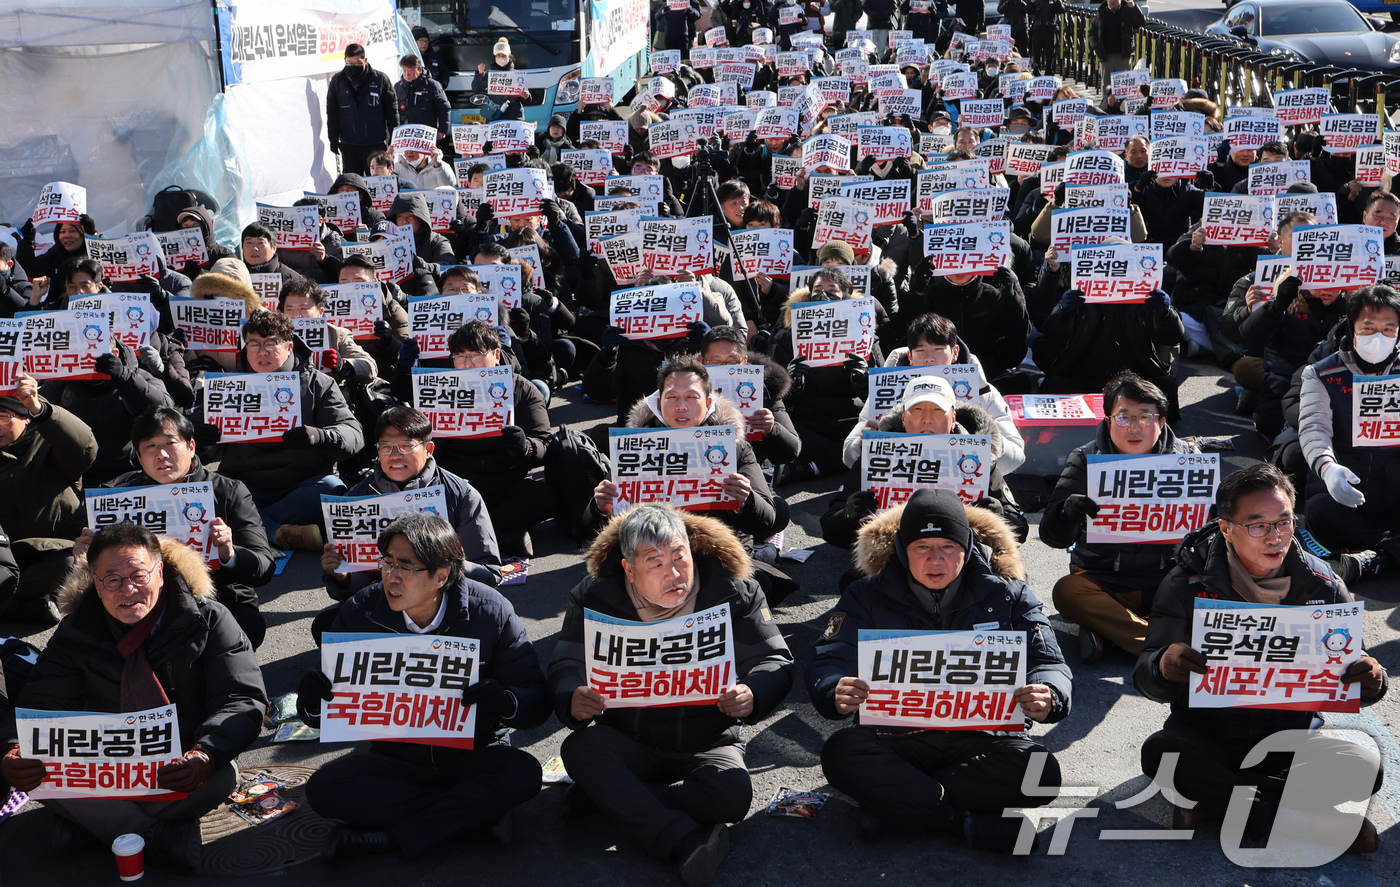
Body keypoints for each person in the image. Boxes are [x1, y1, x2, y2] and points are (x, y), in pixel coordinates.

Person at [1134, 464, 1386, 851]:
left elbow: (1354, 665)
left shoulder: (1324, 584)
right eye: (1258, 525)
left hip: (1291, 744)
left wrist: (1372, 679)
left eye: (1284, 522)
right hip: (1207, 735)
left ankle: (1214, 806)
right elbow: (1146, 672)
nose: (1275, 537)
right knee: (1160, 754)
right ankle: (1305, 821)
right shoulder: (1187, 582)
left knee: (1366, 766)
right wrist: (1163, 666)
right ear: (1226, 528)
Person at [806, 488, 1072, 852]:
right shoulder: (865, 594)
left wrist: (1049, 693)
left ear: (967, 545)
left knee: (1040, 772)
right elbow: (829, 656)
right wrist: (833, 687)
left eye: (948, 547)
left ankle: (896, 806)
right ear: (901, 549)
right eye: (921, 547)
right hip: (896, 738)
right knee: (841, 752)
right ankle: (959, 822)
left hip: (981, 735)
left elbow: (1048, 661)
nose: (936, 560)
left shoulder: (1009, 593)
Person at [549, 504, 794, 886]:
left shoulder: (733, 590)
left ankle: (612, 799)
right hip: (628, 736)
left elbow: (774, 658)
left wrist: (752, 692)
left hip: (707, 737)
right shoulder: (594, 596)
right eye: (656, 563)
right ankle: (681, 839)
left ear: (692, 551)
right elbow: (565, 663)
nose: (674, 574)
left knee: (733, 794)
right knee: (580, 749)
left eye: (680, 558)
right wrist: (571, 695)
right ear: (629, 569)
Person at [1, 523, 267, 872]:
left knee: (223, 774)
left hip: (179, 762)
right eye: (112, 580)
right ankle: (154, 836)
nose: (128, 590)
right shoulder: (77, 631)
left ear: (160, 572)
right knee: (38, 775)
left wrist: (206, 753)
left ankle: (98, 826)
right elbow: (39, 701)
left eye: (138, 575)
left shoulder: (209, 619)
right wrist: (12, 748)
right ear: (95, 583)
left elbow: (243, 697)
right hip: (103, 766)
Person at [296, 513, 549, 863]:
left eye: (406, 566)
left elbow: (535, 699)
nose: (391, 576)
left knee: (523, 773)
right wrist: (311, 703)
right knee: (325, 789)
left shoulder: (491, 611)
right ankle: (473, 816)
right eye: (386, 563)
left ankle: (386, 839)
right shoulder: (362, 611)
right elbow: (328, 713)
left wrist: (505, 701)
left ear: (441, 575)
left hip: (475, 752)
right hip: (397, 759)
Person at [1040, 373, 1198, 662]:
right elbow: (1051, 536)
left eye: (1145, 417)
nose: (1134, 427)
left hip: (1171, 580)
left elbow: (1219, 530)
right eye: (1124, 417)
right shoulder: (1085, 458)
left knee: (1217, 591)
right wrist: (1066, 514)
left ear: (1162, 422)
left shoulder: (1189, 459)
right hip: (1106, 582)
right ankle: (1164, 648)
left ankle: (1112, 635)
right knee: (1067, 591)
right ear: (1108, 421)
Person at [89, 407, 277, 648]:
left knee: (246, 627)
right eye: (150, 446)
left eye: (170, 443)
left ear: (191, 446)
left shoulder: (227, 491)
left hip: (216, 596)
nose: (161, 455)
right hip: (137, 599)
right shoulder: (117, 496)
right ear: (138, 454)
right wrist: (87, 555)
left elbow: (264, 566)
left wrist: (230, 554)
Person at [197, 309, 364, 551]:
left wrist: (320, 436)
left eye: (271, 343)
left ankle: (250, 529)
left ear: (289, 346)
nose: (262, 352)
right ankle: (276, 533)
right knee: (210, 493)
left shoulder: (317, 383)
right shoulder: (224, 387)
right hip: (244, 486)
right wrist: (201, 439)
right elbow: (193, 448)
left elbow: (353, 434)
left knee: (332, 489)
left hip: (300, 485)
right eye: (253, 344)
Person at [319, 405, 504, 613]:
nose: (395, 455)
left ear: (429, 449)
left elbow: (489, 573)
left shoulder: (461, 493)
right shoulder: (354, 500)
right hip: (387, 603)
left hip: (444, 603)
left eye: (406, 445)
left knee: (493, 616)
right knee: (327, 625)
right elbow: (354, 592)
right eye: (386, 446)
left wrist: (443, 565)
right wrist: (343, 576)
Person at [395, 321, 552, 556]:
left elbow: (545, 443)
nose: (467, 364)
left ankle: (463, 537)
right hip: (454, 484)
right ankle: (500, 536)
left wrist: (524, 446)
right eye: (459, 356)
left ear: (496, 355)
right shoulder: (438, 389)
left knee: (544, 497)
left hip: (505, 482)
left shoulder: (522, 389)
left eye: (476, 355)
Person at [822, 373, 1028, 549]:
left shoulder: (977, 457)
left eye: (938, 410)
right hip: (891, 557)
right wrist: (848, 517)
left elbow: (1020, 528)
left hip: (963, 560)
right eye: (917, 410)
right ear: (903, 417)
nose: (927, 419)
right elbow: (830, 529)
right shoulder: (877, 456)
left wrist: (998, 517)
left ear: (953, 417)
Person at [1298, 284, 1400, 581]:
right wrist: (1328, 469)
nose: (1378, 337)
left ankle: (1379, 557)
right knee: (1319, 510)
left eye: (1389, 329)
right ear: (1351, 327)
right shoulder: (1321, 373)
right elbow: (1313, 427)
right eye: (1369, 328)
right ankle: (1389, 549)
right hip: (1348, 488)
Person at [843, 313, 1025, 475]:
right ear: (910, 356)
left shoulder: (982, 391)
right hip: (901, 482)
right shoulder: (886, 389)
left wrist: (985, 439)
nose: (929, 358)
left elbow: (1016, 456)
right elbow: (849, 454)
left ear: (955, 353)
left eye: (938, 349)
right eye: (921, 351)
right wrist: (861, 445)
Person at [0, 372, 97, 624]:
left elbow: (85, 447)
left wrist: (40, 408)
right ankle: (23, 606)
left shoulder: (50, 443)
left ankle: (13, 603)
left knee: (68, 565)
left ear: (26, 419)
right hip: (5, 552)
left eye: (2, 417)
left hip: (53, 547)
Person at [327, 43, 400, 176]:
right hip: (349, 144)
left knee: (378, 183)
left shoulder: (380, 79)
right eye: (349, 63)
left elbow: (392, 112)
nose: (353, 66)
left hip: (375, 144)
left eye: (357, 63)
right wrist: (333, 139)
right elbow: (332, 113)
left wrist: (393, 141)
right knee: (352, 184)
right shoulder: (338, 81)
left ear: (365, 60)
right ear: (345, 61)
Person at [1089, 0, 1145, 98]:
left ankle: (1122, 108)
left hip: (1123, 55)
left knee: (1123, 86)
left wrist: (1133, 8)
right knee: (1107, 85)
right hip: (1106, 55)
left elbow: (1141, 22)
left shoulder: (1126, 10)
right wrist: (1097, 48)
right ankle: (1106, 107)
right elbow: (1091, 33)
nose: (1112, 1)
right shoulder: (1101, 12)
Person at [394, 54, 451, 148]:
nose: (407, 74)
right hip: (405, 134)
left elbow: (444, 108)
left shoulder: (432, 85)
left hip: (426, 134)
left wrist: (442, 130)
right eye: (404, 70)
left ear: (419, 69)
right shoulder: (398, 87)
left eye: (410, 70)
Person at [240, 222, 306, 287]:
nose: (254, 248)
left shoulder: (294, 280)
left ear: (274, 248)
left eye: (260, 243)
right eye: (249, 243)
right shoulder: (233, 276)